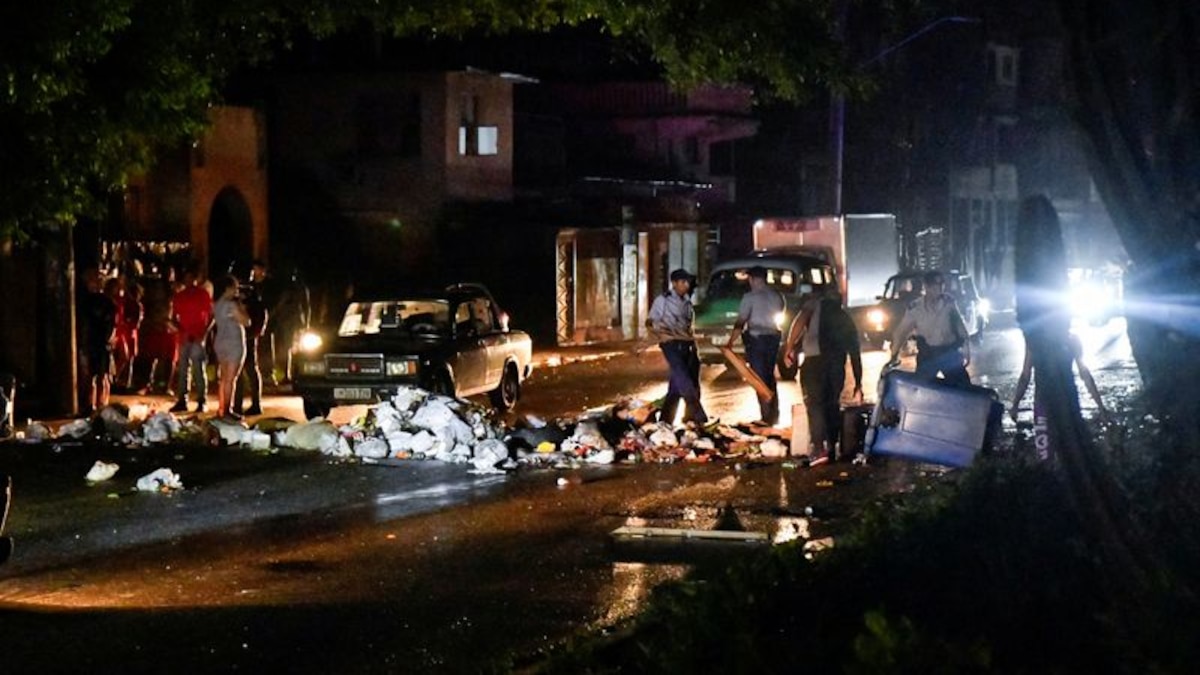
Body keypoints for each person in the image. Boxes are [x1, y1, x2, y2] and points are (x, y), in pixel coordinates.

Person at [783, 287, 863, 463]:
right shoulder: (845, 318)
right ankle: (833, 445)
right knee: (831, 404)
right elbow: (855, 353)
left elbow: (800, 320)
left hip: (815, 364)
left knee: (815, 404)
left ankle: (819, 448)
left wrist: (789, 346)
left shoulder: (814, 306)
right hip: (835, 366)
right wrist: (858, 383)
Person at [887, 270, 972, 387]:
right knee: (922, 388)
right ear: (926, 287)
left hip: (948, 353)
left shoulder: (949, 303)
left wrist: (966, 348)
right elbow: (901, 332)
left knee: (964, 389)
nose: (940, 288)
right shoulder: (916, 308)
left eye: (942, 285)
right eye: (936, 285)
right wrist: (894, 355)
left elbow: (959, 325)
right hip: (928, 355)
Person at [646, 268, 708, 426]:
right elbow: (650, 321)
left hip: (687, 344)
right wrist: (660, 332)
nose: (686, 285)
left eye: (687, 282)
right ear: (674, 283)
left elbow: (689, 326)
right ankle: (698, 416)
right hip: (671, 344)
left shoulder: (687, 301)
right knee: (684, 380)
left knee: (682, 383)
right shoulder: (663, 300)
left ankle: (667, 420)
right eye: (683, 282)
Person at [725, 266, 785, 425]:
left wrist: (730, 342)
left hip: (756, 340)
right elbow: (780, 312)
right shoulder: (776, 296)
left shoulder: (749, 297)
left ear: (753, 279)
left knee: (758, 377)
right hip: (773, 339)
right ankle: (774, 413)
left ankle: (766, 416)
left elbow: (741, 321)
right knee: (770, 375)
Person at [1010, 332, 1110, 426]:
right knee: (1069, 439)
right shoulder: (1070, 339)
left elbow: (1025, 376)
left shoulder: (1035, 343)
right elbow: (1085, 374)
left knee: (1046, 441)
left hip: (1045, 404)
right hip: (1065, 402)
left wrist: (1015, 405)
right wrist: (1101, 407)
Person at [169, 265, 214, 413]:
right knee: (183, 370)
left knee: (197, 369)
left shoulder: (202, 295)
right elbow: (174, 317)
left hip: (196, 336)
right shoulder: (180, 296)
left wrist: (204, 333)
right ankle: (183, 399)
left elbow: (211, 316)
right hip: (185, 336)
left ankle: (201, 400)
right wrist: (179, 329)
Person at [212, 275, 251, 420]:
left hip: (220, 341)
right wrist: (241, 307)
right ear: (228, 288)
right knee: (230, 379)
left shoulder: (216, 304)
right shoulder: (231, 305)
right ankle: (227, 409)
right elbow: (246, 322)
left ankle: (222, 407)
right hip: (233, 342)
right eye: (235, 287)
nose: (237, 290)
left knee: (223, 378)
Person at [233, 261, 270, 416]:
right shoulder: (246, 292)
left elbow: (260, 312)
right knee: (242, 371)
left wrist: (256, 331)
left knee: (248, 369)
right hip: (241, 335)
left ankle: (251, 403)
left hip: (247, 335)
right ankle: (239, 404)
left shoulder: (252, 292)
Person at [81, 269, 118, 415]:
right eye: (90, 282)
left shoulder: (108, 303)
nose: (93, 284)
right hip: (90, 342)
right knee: (91, 376)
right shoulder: (85, 302)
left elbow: (112, 325)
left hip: (102, 343)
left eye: (95, 281)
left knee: (102, 376)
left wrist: (108, 340)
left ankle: (102, 404)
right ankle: (91, 405)